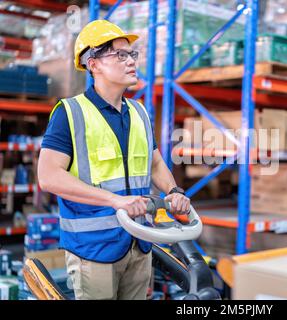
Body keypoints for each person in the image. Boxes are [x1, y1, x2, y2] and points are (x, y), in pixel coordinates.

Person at [37, 20, 190, 300]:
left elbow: (155, 163)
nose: (131, 61)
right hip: (94, 250)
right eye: (120, 54)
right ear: (93, 64)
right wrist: (115, 201)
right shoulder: (70, 113)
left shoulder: (140, 112)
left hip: (140, 243)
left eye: (132, 54)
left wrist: (174, 191)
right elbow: (48, 176)